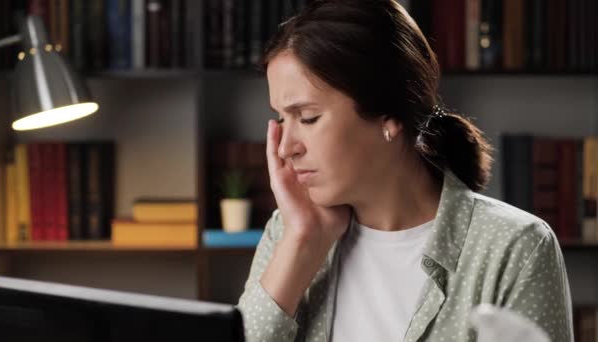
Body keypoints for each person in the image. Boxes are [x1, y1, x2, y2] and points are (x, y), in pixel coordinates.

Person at [237, 1, 574, 341]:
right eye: (282, 118)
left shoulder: (515, 248)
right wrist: (300, 243)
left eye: (307, 117)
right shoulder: (289, 231)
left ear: (388, 116)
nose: (285, 147)